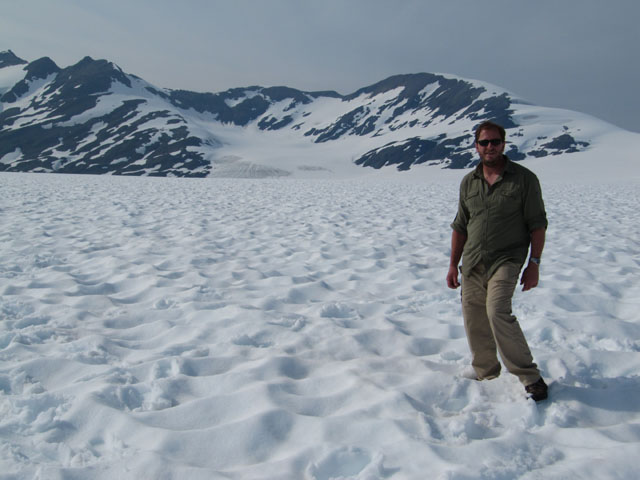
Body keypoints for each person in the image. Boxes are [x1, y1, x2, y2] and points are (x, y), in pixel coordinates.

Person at [446, 120, 548, 402]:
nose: (490, 147)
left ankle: (530, 376)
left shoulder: (524, 179)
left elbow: (537, 225)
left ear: (504, 143)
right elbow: (460, 226)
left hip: (507, 259)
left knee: (497, 312)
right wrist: (453, 264)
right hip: (474, 260)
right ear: (476, 146)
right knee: (474, 317)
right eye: (484, 142)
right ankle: (486, 372)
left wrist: (534, 264)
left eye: (495, 142)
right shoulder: (469, 181)